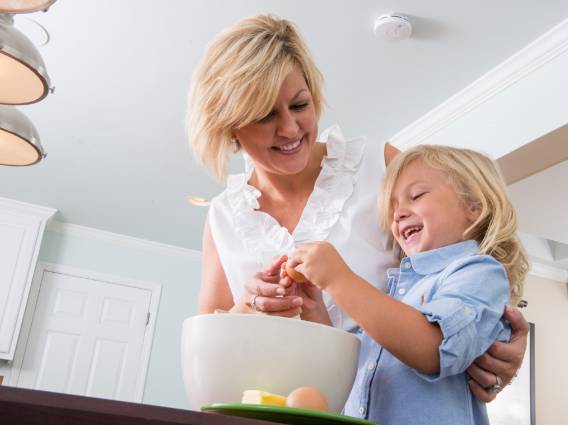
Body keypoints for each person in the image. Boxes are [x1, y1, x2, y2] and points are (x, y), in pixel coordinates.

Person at [186, 13, 528, 404]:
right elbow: (208, 350)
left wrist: (501, 345)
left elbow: (472, 259)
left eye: (300, 105)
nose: (291, 129)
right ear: (229, 127)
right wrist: (247, 307)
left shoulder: (378, 166)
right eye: (266, 116)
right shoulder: (224, 216)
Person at [283, 145, 529, 424]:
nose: (398, 214)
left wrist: (339, 278)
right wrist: (314, 307)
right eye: (393, 207)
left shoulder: (479, 272)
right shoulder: (394, 296)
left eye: (416, 196)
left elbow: (433, 348)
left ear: (475, 205)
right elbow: (348, 368)